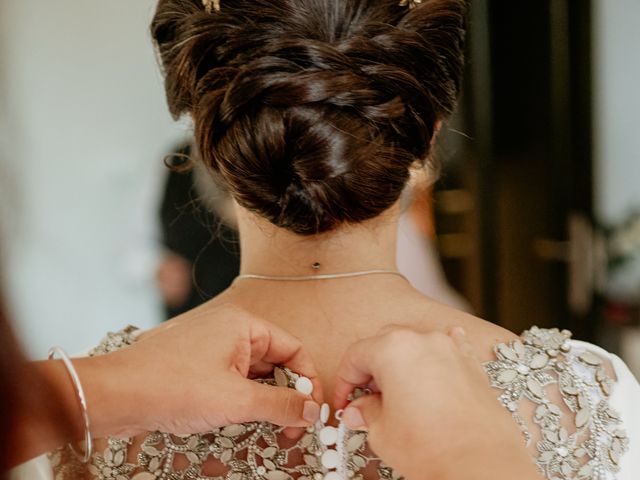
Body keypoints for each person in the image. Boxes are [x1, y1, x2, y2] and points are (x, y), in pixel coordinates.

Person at [41, 0, 640, 479]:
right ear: (428, 140)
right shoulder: (590, 390)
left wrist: (80, 396)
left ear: (211, 146)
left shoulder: (85, 409)